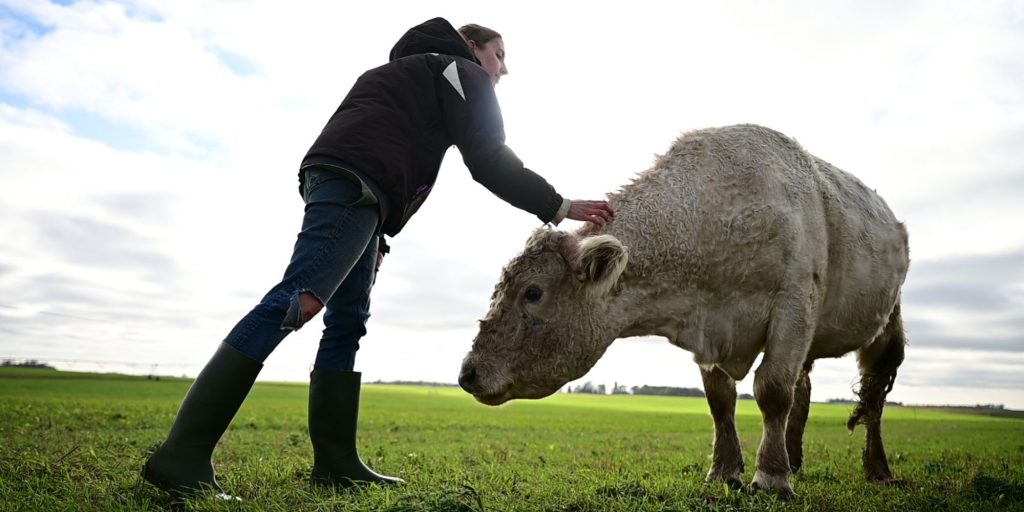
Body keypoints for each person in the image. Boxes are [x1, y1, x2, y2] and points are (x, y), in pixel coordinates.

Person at [141, 17, 614, 499]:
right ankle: (183, 452)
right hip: (356, 186)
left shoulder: (405, 75)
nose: (503, 70)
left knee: (347, 323)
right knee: (298, 299)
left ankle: (336, 462)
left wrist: (378, 237)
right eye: (499, 55)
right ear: (471, 47)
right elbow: (488, 157)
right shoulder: (458, 70)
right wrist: (559, 206)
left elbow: (389, 143)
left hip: (358, 190)